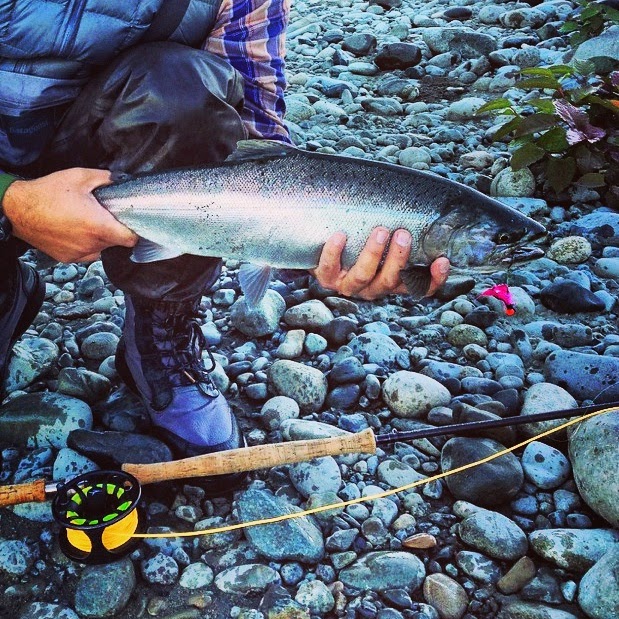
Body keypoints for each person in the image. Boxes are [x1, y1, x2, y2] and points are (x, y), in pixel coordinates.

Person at [0, 0, 450, 492]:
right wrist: (10, 199)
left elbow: (251, 131)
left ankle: (159, 329)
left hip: (101, 146)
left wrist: (310, 232)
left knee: (182, 88)